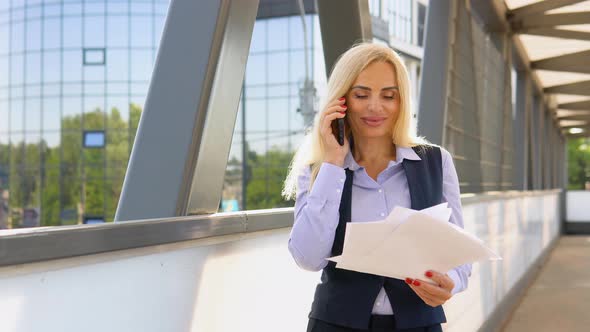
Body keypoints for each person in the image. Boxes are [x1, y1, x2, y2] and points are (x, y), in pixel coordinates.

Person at [282, 43, 471, 332]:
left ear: (401, 102)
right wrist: (333, 164)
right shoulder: (319, 168)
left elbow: (459, 253)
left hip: (418, 324)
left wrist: (452, 283)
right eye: (361, 94)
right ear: (341, 100)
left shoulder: (436, 162)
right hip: (335, 324)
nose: (375, 106)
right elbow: (308, 258)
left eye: (388, 96)